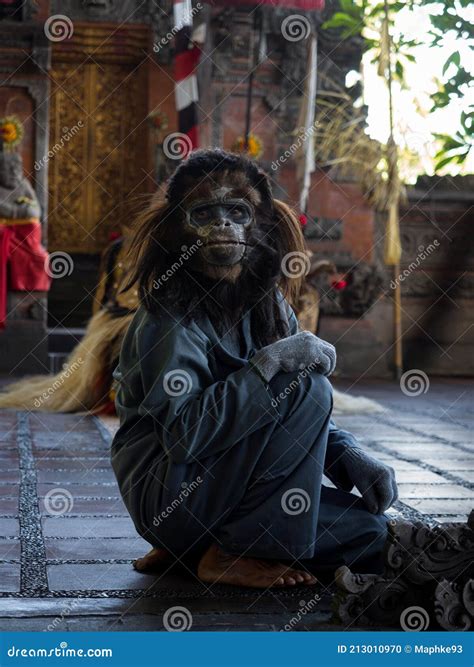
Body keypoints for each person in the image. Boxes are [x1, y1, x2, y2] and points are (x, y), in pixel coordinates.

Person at [111, 149, 397, 588]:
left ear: (259, 225)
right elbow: (185, 435)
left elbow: (285, 419)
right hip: (172, 493)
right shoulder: (168, 314)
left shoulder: (269, 304)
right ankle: (229, 553)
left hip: (232, 495)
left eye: (237, 212)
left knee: (370, 535)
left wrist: (348, 455)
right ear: (176, 231)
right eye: (204, 213)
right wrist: (267, 365)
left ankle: (197, 550)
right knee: (309, 387)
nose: (222, 226)